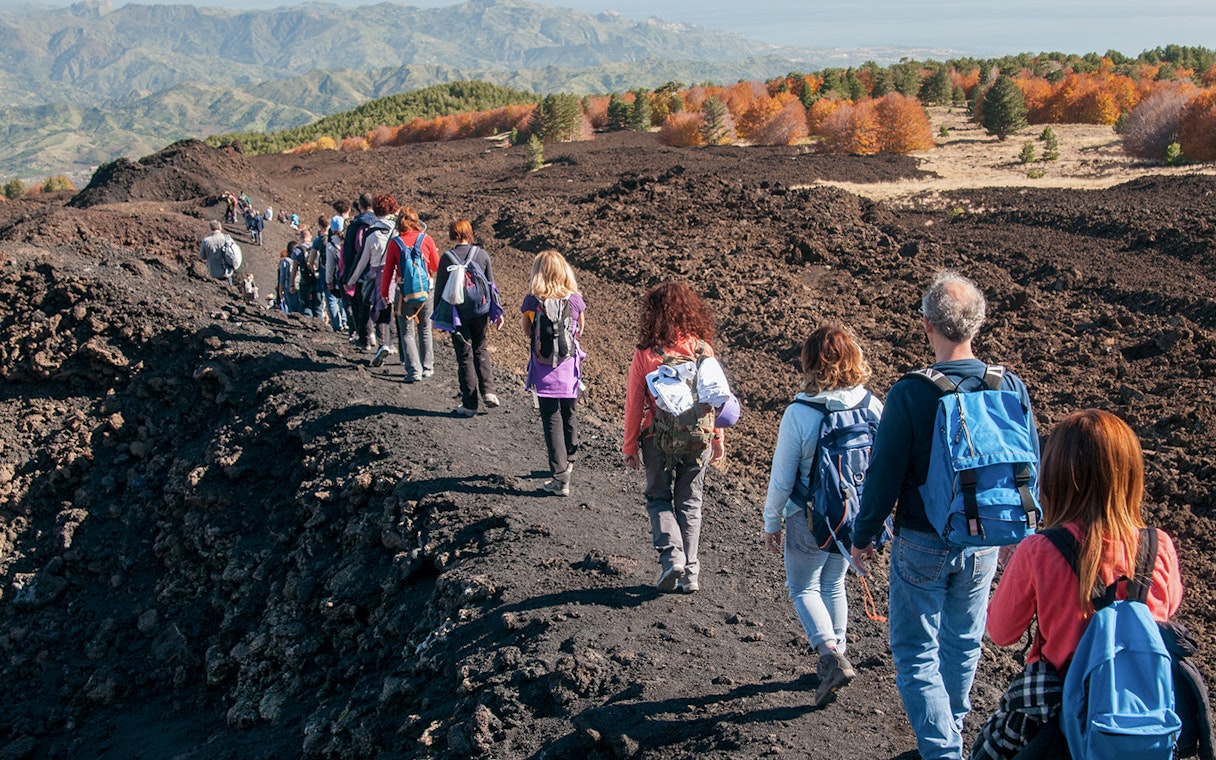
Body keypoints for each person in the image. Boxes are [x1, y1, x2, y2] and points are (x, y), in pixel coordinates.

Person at [850, 270, 1039, 760]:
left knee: (915, 652)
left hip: (921, 540)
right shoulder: (1009, 385)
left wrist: (864, 535)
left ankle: (942, 751)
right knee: (963, 643)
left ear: (928, 325)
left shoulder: (911, 392)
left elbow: (883, 475)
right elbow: (1028, 464)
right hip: (984, 540)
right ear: (976, 326)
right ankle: (950, 735)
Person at [969, 410, 1183, 759]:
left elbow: (1001, 631)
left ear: (1056, 476)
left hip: (1061, 719)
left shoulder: (1039, 550)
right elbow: (1162, 613)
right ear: (1130, 474)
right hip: (1141, 719)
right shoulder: (1159, 547)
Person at [763, 324, 883, 707]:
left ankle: (830, 655)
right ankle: (839, 654)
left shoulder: (800, 413)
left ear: (810, 363)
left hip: (808, 517)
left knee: (803, 587)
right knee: (833, 583)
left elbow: (782, 478)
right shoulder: (872, 405)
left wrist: (771, 521)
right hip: (852, 516)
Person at [623, 282, 726, 594]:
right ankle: (690, 573)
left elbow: (634, 403)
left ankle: (672, 558)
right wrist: (717, 438)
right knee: (690, 501)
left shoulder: (646, 354)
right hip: (698, 439)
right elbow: (714, 397)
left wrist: (630, 445)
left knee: (658, 498)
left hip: (657, 437)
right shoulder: (702, 350)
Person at [520, 251, 586, 496]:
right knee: (569, 412)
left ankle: (560, 479)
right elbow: (579, 331)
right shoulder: (575, 300)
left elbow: (528, 331)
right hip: (569, 368)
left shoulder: (532, 301)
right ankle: (570, 457)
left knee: (551, 419)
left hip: (544, 369)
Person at [433, 219, 503, 417]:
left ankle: (470, 404)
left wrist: (436, 316)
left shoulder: (447, 258)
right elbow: (491, 285)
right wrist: (497, 313)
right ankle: (489, 392)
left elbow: (440, 290)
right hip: (480, 310)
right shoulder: (481, 254)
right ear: (469, 234)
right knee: (480, 349)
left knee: (464, 355)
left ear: (452, 234)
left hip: (457, 314)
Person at [381, 207, 439, 382]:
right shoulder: (426, 239)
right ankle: (427, 367)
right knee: (425, 329)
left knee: (407, 332)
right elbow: (436, 266)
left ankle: (414, 371)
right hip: (426, 291)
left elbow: (388, 271)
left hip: (404, 293)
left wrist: (384, 293)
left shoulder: (395, 243)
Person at [346, 194, 397, 361]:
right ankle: (397, 347)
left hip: (377, 275)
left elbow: (361, 262)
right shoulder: (397, 232)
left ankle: (383, 343)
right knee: (394, 311)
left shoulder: (372, 234)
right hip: (396, 276)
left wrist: (351, 281)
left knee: (380, 308)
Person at [198, 220, 237, 285]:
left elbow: (202, 256)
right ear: (220, 228)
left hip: (212, 272)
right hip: (226, 271)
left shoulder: (206, 241)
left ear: (210, 228)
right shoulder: (227, 238)